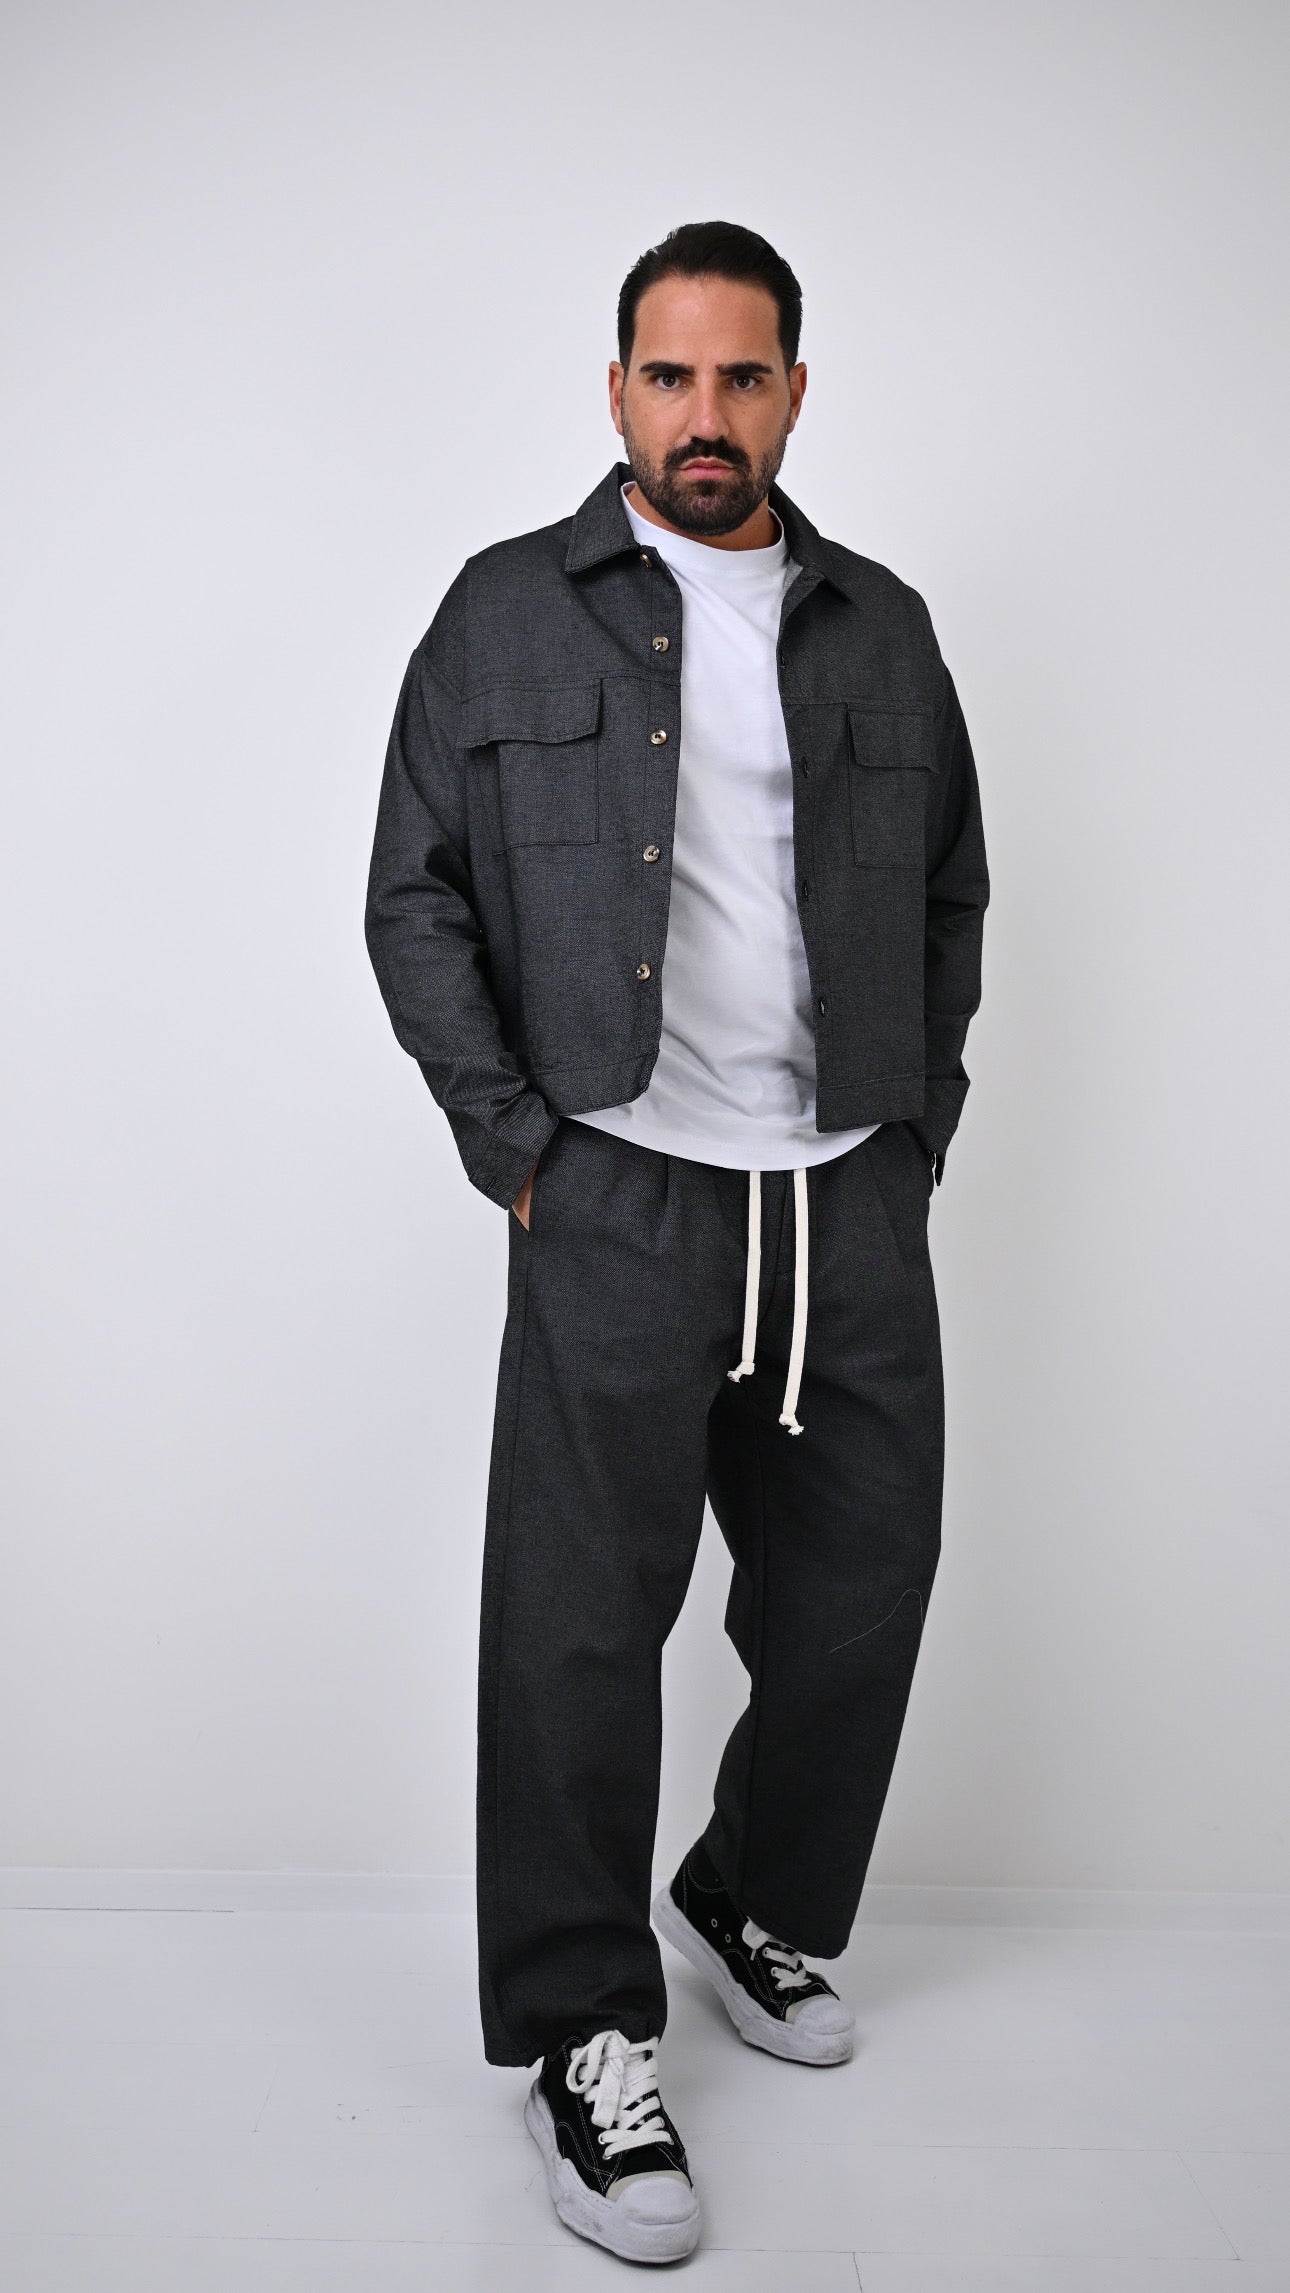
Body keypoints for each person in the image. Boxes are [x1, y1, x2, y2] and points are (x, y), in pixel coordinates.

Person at [365, 219, 989, 2267]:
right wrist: (518, 1147)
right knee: (577, 1624)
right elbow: (413, 891)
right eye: (668, 376)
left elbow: (952, 890)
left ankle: (746, 1894)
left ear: (794, 391)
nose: (702, 416)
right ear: (616, 389)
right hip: (616, 1184)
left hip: (844, 1191)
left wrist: (916, 1127)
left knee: (857, 1590)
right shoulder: (504, 612)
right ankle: (583, 2030)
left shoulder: (881, 628)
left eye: (740, 377)